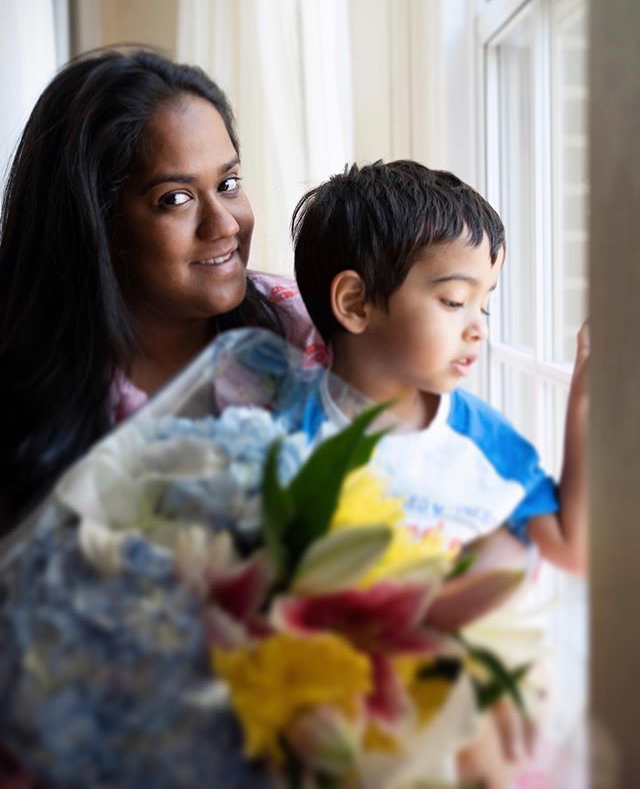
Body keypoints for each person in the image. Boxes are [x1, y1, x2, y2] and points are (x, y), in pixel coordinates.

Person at [0, 48, 327, 530]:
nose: (223, 225)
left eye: (229, 183)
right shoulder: (19, 394)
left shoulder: (308, 330)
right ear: (94, 223)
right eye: (175, 199)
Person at [293, 160, 588, 574]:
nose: (478, 330)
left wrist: (585, 404)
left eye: (483, 306)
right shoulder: (284, 436)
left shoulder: (482, 437)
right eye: (454, 301)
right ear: (355, 303)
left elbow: (573, 552)